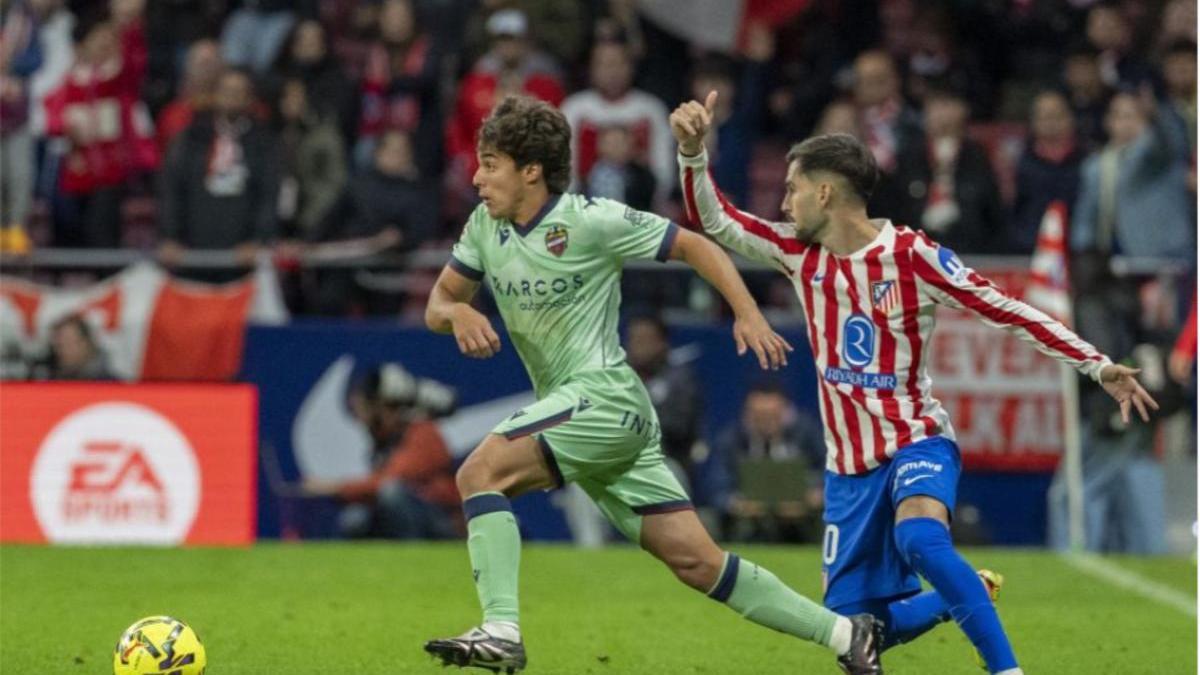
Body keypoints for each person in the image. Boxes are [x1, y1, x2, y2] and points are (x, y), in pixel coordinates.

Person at [672, 92, 1158, 675]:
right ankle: (965, 593)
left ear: (824, 193)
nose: (784, 202)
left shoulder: (913, 256)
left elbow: (1006, 309)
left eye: (792, 189)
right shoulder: (797, 254)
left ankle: (1007, 669)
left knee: (921, 542)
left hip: (915, 439)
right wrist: (693, 153)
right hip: (848, 469)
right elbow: (714, 220)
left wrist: (1096, 364)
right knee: (853, 634)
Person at [422, 95, 883, 674]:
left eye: (490, 163)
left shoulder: (589, 220)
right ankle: (847, 634)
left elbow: (694, 244)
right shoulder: (484, 226)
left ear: (530, 170)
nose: (476, 176)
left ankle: (501, 630)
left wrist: (746, 312)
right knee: (698, 563)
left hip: (603, 397)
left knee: (477, 472)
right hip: (592, 415)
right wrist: (458, 313)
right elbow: (439, 302)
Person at [303, 363, 460, 539]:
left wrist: (335, 487)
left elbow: (389, 481)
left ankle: (412, 559)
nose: (361, 420)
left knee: (391, 493)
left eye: (364, 410)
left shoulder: (424, 434)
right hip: (415, 515)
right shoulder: (387, 442)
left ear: (383, 408)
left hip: (443, 524)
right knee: (355, 518)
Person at [158, 68, 280, 280]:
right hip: (191, 251)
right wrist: (171, 236)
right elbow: (172, 189)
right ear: (215, 94)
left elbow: (269, 195)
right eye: (226, 90)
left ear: (250, 98)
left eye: (239, 91)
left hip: (242, 256)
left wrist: (258, 240)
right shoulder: (191, 139)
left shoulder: (265, 143)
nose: (232, 97)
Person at [709, 379, 825, 542]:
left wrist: (812, 497)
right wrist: (737, 504)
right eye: (759, 416)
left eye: (773, 415)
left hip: (803, 517)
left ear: (785, 413)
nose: (766, 422)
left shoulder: (806, 434)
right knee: (707, 520)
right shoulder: (730, 440)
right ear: (747, 414)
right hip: (745, 520)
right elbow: (717, 487)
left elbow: (828, 472)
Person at [624, 312, 702, 488]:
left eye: (644, 340)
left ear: (662, 343)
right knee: (582, 483)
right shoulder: (618, 376)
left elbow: (679, 428)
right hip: (618, 460)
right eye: (633, 339)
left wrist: (632, 418)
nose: (637, 346)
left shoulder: (681, 380)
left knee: (669, 471)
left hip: (664, 460)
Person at [1009, 90, 1084, 254]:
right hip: (1030, 250)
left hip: (1077, 251)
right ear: (1033, 122)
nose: (1050, 123)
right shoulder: (1022, 163)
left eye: (1057, 116)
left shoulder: (1086, 160)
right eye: (1044, 117)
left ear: (1070, 119)